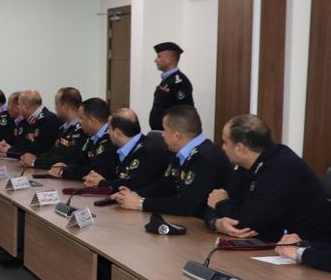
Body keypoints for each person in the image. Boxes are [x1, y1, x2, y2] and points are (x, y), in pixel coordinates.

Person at [202, 114, 331, 242]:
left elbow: (248, 225)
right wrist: (216, 223)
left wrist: (220, 204)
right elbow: (213, 204)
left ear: (240, 149)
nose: (223, 147)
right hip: (271, 244)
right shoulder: (246, 165)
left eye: (225, 142)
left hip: (306, 247)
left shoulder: (282, 168)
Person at [113, 105, 230, 216]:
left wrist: (141, 203)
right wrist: (132, 195)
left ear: (176, 135)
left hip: (203, 223)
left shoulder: (207, 157)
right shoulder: (182, 154)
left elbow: (188, 205)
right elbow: (167, 185)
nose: (162, 135)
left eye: (165, 130)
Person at [86, 109, 170, 192]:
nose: (107, 132)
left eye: (109, 128)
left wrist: (102, 183)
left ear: (117, 133)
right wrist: (97, 177)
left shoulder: (149, 151)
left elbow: (135, 184)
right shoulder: (120, 148)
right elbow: (115, 172)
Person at [53, 98, 116, 180]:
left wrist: (64, 171)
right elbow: (81, 161)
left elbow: (95, 171)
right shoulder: (91, 137)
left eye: (81, 118)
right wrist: (66, 166)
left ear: (92, 121)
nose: (79, 122)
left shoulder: (110, 139)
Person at [27, 88, 83, 169]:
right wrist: (36, 159)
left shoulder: (81, 129)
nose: (55, 108)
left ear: (65, 107)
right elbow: (54, 151)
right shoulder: (63, 127)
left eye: (57, 104)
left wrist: (35, 162)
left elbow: (68, 158)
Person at [149, 41, 194, 131]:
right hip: (163, 132)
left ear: (169, 59)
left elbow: (184, 109)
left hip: (172, 133)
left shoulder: (179, 81)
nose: (155, 60)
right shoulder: (168, 79)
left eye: (159, 56)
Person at [5, 90, 60, 159]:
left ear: (26, 106)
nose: (18, 107)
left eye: (19, 104)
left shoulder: (48, 120)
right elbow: (25, 145)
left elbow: (39, 150)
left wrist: (9, 151)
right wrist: (9, 150)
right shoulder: (33, 119)